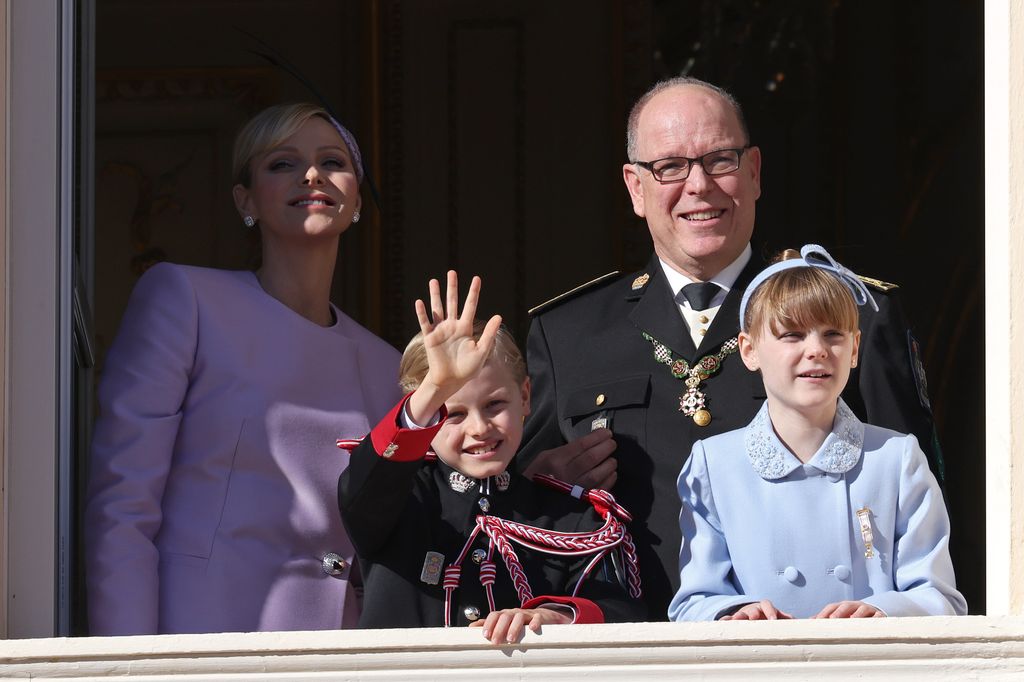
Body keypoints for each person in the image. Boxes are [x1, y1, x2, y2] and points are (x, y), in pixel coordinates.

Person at [520, 77, 941, 618]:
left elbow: (925, 520)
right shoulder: (569, 335)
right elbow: (501, 521)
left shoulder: (850, 313)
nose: (698, 185)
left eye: (720, 159)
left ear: (754, 172)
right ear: (635, 187)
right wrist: (541, 485)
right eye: (669, 166)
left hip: (809, 651)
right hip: (622, 650)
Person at [84, 103, 402, 635]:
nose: (311, 174)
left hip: (341, 650)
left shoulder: (386, 362)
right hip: (201, 640)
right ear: (245, 199)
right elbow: (123, 505)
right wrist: (127, 662)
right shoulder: (185, 298)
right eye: (282, 163)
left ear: (357, 201)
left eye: (332, 161)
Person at [338, 272, 644, 643]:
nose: (480, 428)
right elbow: (362, 488)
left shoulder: (570, 515)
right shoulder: (402, 499)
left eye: (495, 404)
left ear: (526, 397)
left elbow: (622, 612)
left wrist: (555, 614)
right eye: (453, 413)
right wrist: (433, 389)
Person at [668, 246, 965, 620]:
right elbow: (694, 601)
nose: (817, 350)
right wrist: (733, 615)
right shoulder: (714, 464)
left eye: (833, 334)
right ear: (749, 350)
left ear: (855, 348)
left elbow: (939, 597)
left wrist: (881, 611)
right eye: (792, 335)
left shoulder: (897, 458)